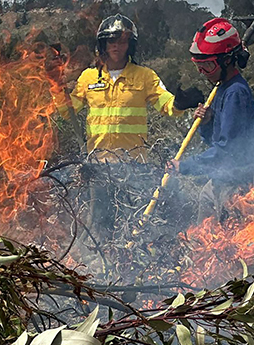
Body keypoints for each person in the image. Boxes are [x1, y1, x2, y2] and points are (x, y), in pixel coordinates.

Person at [70, 14, 202, 230]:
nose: (117, 46)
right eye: (112, 40)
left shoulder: (145, 76)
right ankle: (97, 252)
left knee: (133, 221)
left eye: (123, 41)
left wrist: (179, 103)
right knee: (99, 224)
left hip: (134, 166)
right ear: (103, 44)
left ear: (130, 45)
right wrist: (56, 93)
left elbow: (166, 104)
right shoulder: (88, 77)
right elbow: (69, 110)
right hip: (98, 166)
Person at [167, 18, 254, 220]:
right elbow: (215, 141)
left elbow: (227, 150)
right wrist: (208, 122)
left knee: (232, 237)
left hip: (238, 184)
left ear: (227, 60)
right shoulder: (222, 89)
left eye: (208, 66)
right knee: (205, 227)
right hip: (220, 180)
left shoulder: (235, 93)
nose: (202, 73)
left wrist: (185, 166)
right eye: (199, 66)